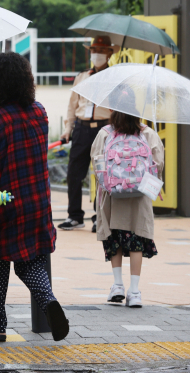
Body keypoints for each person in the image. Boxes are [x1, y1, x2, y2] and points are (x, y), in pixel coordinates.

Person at [0, 52, 69, 343]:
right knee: (29, 262)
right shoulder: (40, 112)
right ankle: (47, 299)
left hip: (5, 204)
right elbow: (16, 133)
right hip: (37, 202)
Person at [91, 90, 163, 308]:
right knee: (136, 241)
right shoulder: (147, 133)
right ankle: (134, 291)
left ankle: (117, 286)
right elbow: (158, 165)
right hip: (139, 197)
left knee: (115, 240)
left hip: (113, 196)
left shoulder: (105, 134)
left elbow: (97, 164)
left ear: (112, 109)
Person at [59, 36, 118, 232]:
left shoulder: (115, 77)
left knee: (103, 174)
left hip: (104, 128)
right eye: (94, 50)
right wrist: (68, 129)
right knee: (74, 173)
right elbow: (72, 105)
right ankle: (74, 216)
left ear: (110, 53)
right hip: (82, 128)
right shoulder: (82, 76)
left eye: (101, 50)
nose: (97, 54)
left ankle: (99, 217)